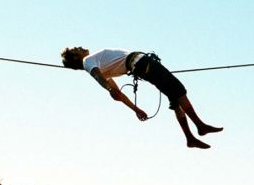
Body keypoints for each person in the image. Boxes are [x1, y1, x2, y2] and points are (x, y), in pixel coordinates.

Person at [61, 47, 222, 149]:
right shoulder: (87, 61)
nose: (80, 47)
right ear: (75, 57)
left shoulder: (102, 68)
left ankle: (190, 137)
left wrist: (135, 109)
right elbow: (100, 79)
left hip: (140, 66)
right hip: (141, 63)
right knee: (178, 90)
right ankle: (200, 126)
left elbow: (118, 95)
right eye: (76, 49)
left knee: (174, 97)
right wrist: (109, 88)